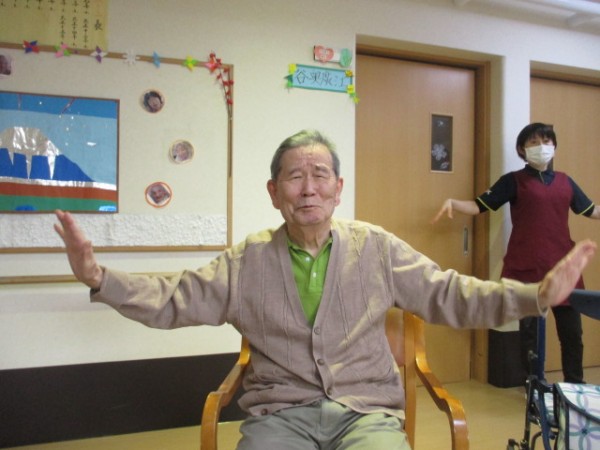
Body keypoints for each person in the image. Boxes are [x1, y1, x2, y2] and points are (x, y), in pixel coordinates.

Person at [54, 129, 596, 450]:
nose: (308, 188)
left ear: (338, 188)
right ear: (274, 192)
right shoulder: (247, 262)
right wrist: (100, 278)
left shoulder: (377, 248)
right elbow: (174, 299)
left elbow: (450, 294)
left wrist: (534, 296)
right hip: (279, 417)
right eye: (295, 176)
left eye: (320, 175)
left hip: (367, 414)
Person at [432, 122, 600, 384]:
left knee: (571, 334)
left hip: (562, 266)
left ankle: (574, 387)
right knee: (530, 337)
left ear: (554, 146)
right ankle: (534, 387)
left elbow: (591, 210)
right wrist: (453, 203)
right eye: (533, 142)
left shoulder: (566, 182)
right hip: (527, 266)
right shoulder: (513, 181)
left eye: (546, 141)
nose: (541, 146)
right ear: (522, 149)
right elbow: (479, 205)